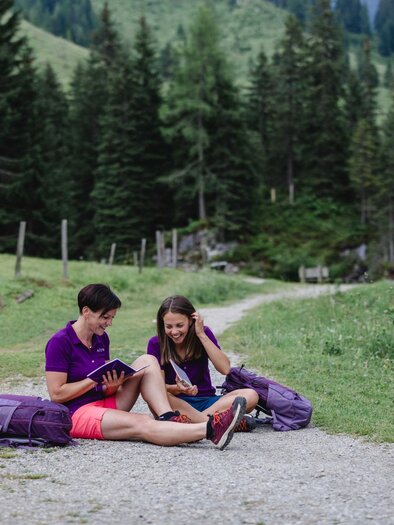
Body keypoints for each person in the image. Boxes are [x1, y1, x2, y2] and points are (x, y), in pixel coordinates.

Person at [45, 284, 246, 450]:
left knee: (148, 360)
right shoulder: (60, 342)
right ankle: (211, 429)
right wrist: (93, 380)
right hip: (78, 413)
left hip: (105, 402)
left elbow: (105, 387)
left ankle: (168, 416)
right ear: (86, 312)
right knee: (141, 422)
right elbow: (57, 395)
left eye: (112, 318)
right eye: (105, 317)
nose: (109, 323)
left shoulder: (101, 339)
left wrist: (113, 385)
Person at [147, 295, 259, 430]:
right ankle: (217, 423)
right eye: (168, 326)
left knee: (251, 395)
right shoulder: (155, 344)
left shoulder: (203, 334)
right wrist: (177, 389)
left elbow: (225, 369)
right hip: (176, 403)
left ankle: (195, 423)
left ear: (190, 320)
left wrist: (201, 334)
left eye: (180, 325)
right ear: (162, 324)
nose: (174, 331)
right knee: (157, 398)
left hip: (207, 402)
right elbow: (156, 387)